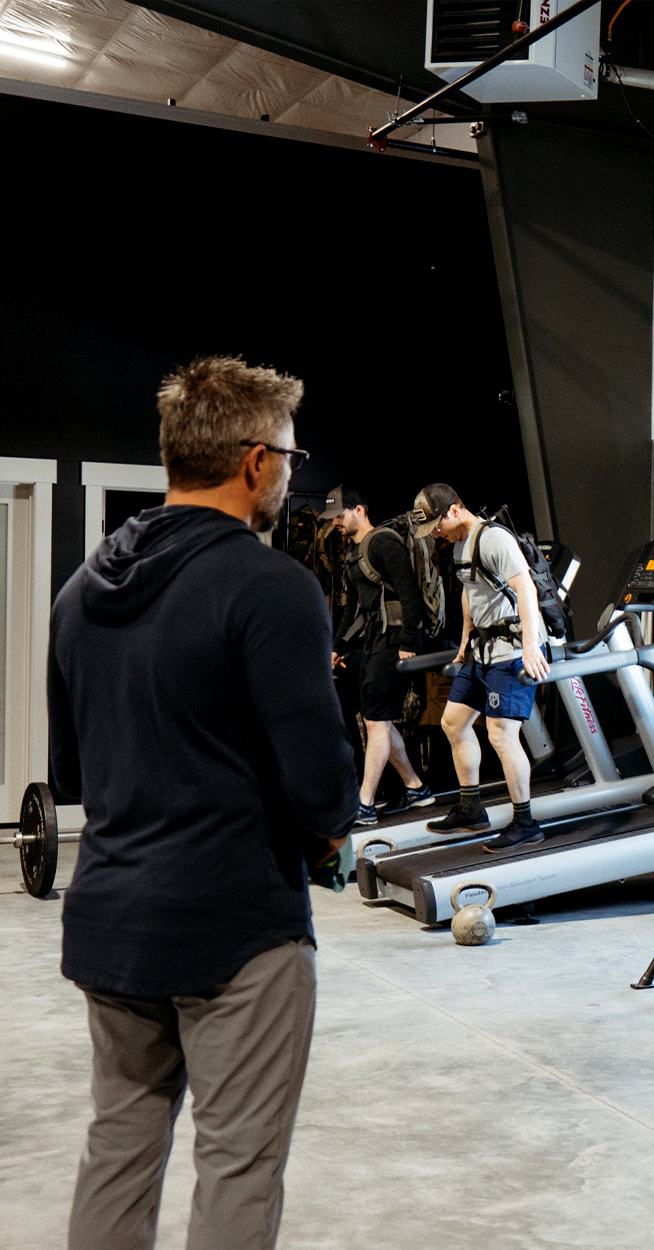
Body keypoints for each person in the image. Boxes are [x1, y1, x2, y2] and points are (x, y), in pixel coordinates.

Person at [49, 355, 357, 1250]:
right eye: (292, 459)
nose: (294, 479)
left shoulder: (82, 590)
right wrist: (327, 829)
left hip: (109, 919)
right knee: (238, 1161)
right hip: (238, 929)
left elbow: (71, 770)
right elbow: (322, 786)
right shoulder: (271, 588)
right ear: (255, 460)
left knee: (118, 1145)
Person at [412, 483, 552, 850]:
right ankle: (471, 809)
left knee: (501, 735)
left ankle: (525, 822)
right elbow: (469, 594)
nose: (436, 534)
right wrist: (464, 641)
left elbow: (526, 590)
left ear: (455, 510)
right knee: (453, 723)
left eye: (437, 526)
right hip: (482, 651)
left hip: (511, 650)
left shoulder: (494, 539)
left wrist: (532, 647)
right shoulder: (460, 545)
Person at [326, 484, 433, 824]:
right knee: (378, 721)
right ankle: (415, 788)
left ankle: (365, 804)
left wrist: (409, 643)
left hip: (395, 641)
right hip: (374, 642)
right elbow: (352, 609)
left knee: (375, 722)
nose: (335, 524)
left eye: (339, 516)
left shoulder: (384, 542)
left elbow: (410, 593)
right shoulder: (353, 554)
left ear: (360, 510)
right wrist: (337, 648)